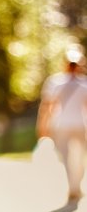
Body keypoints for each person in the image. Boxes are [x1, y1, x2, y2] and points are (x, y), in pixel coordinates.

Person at [36, 45, 87, 201]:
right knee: (77, 156)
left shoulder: (56, 82)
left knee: (70, 156)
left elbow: (46, 106)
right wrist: (43, 124)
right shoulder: (82, 83)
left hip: (66, 125)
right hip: (75, 124)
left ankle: (73, 186)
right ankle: (75, 185)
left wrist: (42, 125)